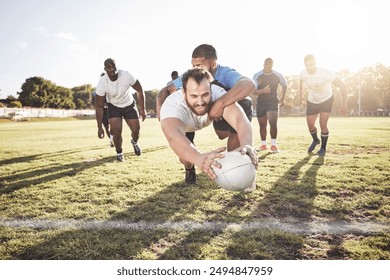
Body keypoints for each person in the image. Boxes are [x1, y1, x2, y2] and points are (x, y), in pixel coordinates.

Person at [160, 68, 258, 191]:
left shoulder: (217, 93)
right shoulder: (172, 105)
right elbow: (173, 135)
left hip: (203, 119)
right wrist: (198, 158)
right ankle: (189, 169)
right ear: (184, 93)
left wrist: (248, 145)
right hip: (184, 126)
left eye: (205, 95)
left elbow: (240, 120)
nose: (200, 102)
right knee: (187, 159)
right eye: (194, 96)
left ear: (210, 90)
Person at [157, 44, 255, 153]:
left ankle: (238, 154)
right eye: (193, 65)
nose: (196, 69)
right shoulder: (191, 76)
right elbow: (166, 90)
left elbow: (248, 84)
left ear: (213, 63)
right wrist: (162, 114)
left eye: (199, 65)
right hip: (206, 113)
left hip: (230, 109)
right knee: (219, 134)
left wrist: (219, 104)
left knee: (242, 106)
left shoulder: (225, 73)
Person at [95, 58, 146, 161]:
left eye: (114, 66)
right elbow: (99, 106)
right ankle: (119, 153)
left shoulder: (126, 75)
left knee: (136, 130)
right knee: (117, 131)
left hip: (129, 105)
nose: (112, 69)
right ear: (105, 69)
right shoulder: (102, 82)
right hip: (114, 107)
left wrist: (143, 109)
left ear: (116, 66)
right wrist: (99, 127)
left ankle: (134, 142)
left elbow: (139, 89)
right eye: (109, 67)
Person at [299, 54, 348, 156]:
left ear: (315, 63)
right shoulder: (303, 74)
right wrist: (301, 95)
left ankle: (323, 148)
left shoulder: (325, 73)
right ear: (305, 65)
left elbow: (343, 86)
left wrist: (344, 104)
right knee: (310, 124)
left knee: (322, 124)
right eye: (307, 65)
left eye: (311, 64)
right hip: (312, 100)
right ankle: (316, 140)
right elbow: (301, 82)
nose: (310, 67)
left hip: (326, 99)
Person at [252, 58, 287, 153]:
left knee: (273, 122)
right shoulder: (257, 75)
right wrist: (263, 91)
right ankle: (263, 145)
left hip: (273, 102)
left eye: (270, 64)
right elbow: (253, 91)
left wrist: (283, 98)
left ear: (272, 65)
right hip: (261, 103)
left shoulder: (277, 75)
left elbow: (284, 85)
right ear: (263, 64)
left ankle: (273, 145)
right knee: (262, 125)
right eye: (266, 64)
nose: (267, 66)